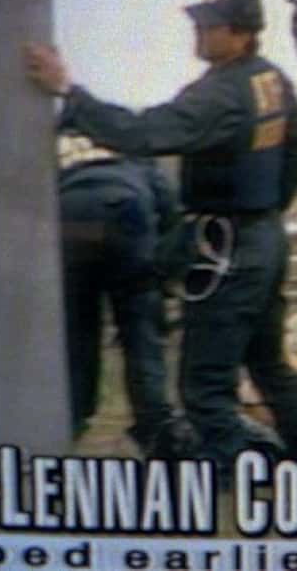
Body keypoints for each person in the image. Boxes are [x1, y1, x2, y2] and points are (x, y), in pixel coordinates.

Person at [25, 0, 297, 480]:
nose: (199, 33)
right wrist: (263, 217)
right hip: (264, 237)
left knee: (205, 389)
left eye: (210, 26)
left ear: (240, 34)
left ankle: (236, 481)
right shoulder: (271, 80)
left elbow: (142, 133)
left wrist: (68, 91)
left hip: (227, 246)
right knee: (270, 365)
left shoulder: (219, 94)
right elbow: (294, 158)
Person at [57, 131, 195, 459]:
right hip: (126, 217)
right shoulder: (137, 156)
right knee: (140, 331)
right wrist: (164, 279)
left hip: (70, 218)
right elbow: (175, 217)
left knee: (79, 329)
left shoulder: (64, 156)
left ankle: (74, 417)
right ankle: (155, 426)